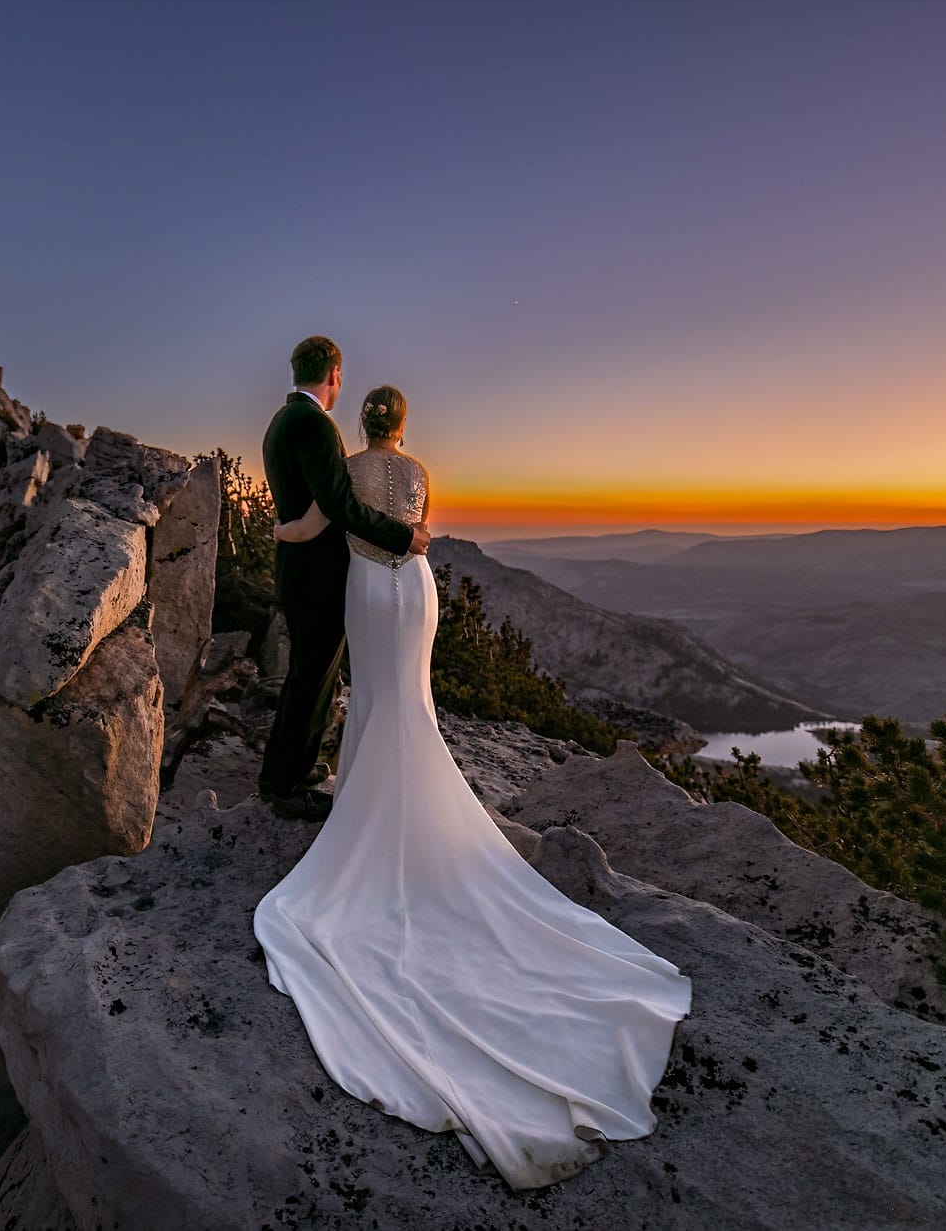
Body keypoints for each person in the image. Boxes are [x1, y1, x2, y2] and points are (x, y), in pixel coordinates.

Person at [253, 383, 694, 1190]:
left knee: (378, 697)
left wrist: (279, 528)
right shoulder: (418, 469)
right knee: (409, 700)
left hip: (364, 590)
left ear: (362, 425)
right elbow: (418, 532)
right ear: (405, 426)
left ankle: (369, 806)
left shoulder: (344, 467)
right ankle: (407, 803)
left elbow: (322, 523)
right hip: (413, 592)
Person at [256, 336, 430, 822]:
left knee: (314, 676)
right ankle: (283, 784)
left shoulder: (280, 421)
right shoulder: (314, 424)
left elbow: (313, 504)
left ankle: (296, 769)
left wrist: (287, 529)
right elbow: (338, 505)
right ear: (334, 373)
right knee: (311, 680)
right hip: (316, 575)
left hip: (302, 568)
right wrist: (403, 536)